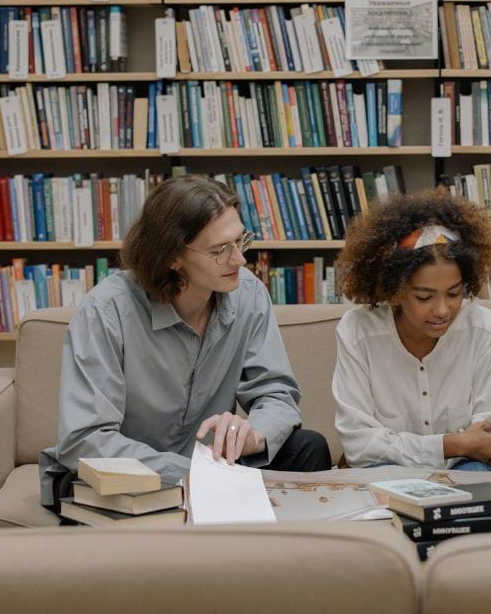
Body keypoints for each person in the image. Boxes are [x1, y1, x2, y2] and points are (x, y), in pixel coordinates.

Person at [39, 176, 331, 510]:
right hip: (128, 474)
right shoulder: (106, 312)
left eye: (240, 241)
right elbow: (85, 440)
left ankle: (281, 555)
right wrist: (197, 474)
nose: (239, 260)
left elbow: (276, 393)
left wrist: (253, 435)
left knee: (308, 447)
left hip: (210, 465)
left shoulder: (248, 294)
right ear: (172, 257)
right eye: (220, 250)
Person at [331, 190, 491, 471]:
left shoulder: (482, 328)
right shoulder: (357, 332)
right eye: (425, 297)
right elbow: (359, 444)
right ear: (396, 292)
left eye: (454, 293)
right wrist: (452, 444)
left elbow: (484, 442)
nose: (442, 310)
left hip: (464, 466)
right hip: (384, 469)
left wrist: (461, 448)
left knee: (477, 480)